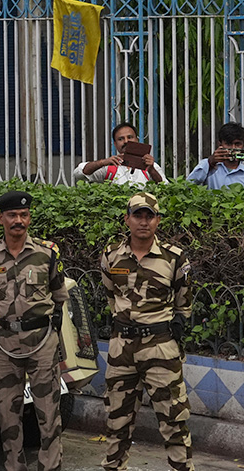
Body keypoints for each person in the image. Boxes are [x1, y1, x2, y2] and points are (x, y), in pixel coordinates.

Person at [100, 192, 193, 471]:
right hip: (121, 349)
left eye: (149, 216)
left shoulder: (174, 258)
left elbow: (183, 304)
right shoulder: (111, 256)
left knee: (174, 421)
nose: (143, 221)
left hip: (160, 347)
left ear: (158, 220)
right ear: (127, 219)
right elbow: (110, 296)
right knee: (117, 421)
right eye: (137, 215)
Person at [0, 191, 68, 471]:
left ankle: (50, 467)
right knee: (7, 416)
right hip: (5, 345)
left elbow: (59, 297)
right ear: (1, 219)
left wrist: (54, 339)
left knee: (48, 414)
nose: (18, 220)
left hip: (41, 343)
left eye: (23, 215)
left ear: (29, 218)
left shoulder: (46, 253)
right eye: (12, 215)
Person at [73, 121, 166, 186]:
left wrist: (152, 170)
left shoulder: (151, 165)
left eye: (130, 137)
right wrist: (102, 162)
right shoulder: (109, 167)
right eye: (120, 139)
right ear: (115, 144)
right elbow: (79, 173)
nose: (126, 141)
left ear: (137, 140)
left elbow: (165, 188)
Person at [187, 122, 244, 189]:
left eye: (238, 144)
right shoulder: (208, 165)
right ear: (220, 145)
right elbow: (188, 186)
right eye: (228, 144)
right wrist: (209, 163)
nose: (233, 148)